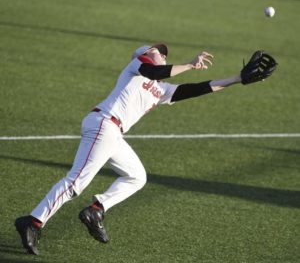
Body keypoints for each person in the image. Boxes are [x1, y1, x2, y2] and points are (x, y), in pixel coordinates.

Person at [15, 43, 277, 255]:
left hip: (113, 134)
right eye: (156, 50)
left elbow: (196, 89)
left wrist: (237, 79)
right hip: (104, 124)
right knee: (77, 181)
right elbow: (156, 72)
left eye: (163, 52)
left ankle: (96, 211)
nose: (161, 53)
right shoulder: (137, 68)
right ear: (143, 54)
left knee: (137, 177)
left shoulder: (161, 90)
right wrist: (189, 64)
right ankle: (33, 221)